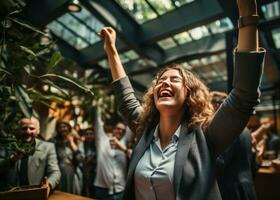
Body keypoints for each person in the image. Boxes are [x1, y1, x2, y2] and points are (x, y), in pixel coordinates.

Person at [100, 0, 264, 199]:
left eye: (174, 79)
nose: (164, 83)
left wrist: (248, 13)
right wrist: (111, 50)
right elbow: (126, 99)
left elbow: (243, 96)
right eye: (160, 80)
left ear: (189, 95)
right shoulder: (145, 130)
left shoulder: (205, 137)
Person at [0, 117, 61, 198]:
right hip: (10, 195)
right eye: (24, 128)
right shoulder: (8, 145)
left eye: (32, 128)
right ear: (18, 130)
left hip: (34, 195)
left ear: (38, 130)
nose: (28, 131)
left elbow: (55, 172)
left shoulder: (48, 147)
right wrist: (12, 160)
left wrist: (48, 185)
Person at [211, 92, 257, 200]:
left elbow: (219, 163)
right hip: (247, 187)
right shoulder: (244, 128)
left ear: (217, 106)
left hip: (230, 191)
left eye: (207, 105)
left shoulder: (226, 128)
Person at [94, 108, 130, 200]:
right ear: (113, 130)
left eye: (123, 130)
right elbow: (98, 122)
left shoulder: (124, 142)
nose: (120, 131)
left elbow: (131, 126)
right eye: (118, 129)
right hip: (101, 189)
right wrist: (100, 104)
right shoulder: (102, 140)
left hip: (120, 190)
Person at [55, 119, 85, 195]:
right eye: (60, 127)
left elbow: (80, 159)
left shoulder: (77, 141)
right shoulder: (54, 142)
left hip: (73, 173)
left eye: (64, 126)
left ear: (69, 127)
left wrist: (71, 143)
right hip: (59, 174)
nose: (62, 129)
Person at [82, 128, 97, 198]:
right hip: (83, 175)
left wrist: (92, 160)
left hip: (95, 175)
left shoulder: (97, 146)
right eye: (87, 134)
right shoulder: (82, 146)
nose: (89, 136)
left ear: (94, 135)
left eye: (91, 134)